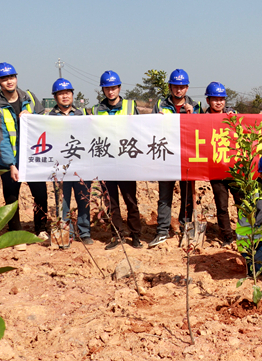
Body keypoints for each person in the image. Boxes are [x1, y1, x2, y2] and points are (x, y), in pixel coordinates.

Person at [0, 62, 48, 242]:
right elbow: (1, 138)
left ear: (16, 78)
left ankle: (41, 229)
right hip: (11, 160)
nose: (9, 82)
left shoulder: (29, 97)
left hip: (33, 157)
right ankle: (15, 233)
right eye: (4, 79)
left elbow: (42, 120)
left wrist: (32, 117)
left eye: (11, 77)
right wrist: (11, 165)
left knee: (41, 194)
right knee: (12, 197)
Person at [150, 68, 202, 247]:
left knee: (187, 195)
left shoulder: (196, 106)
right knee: (164, 196)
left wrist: (192, 115)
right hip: (167, 157)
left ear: (187, 88)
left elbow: (201, 130)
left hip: (187, 157)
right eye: (175, 86)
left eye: (182, 87)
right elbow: (152, 129)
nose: (178, 90)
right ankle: (162, 231)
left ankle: (185, 227)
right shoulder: (160, 105)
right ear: (170, 87)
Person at [92, 70, 142, 249]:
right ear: (103, 90)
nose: (111, 91)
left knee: (131, 201)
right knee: (111, 203)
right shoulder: (97, 110)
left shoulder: (130, 106)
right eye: (107, 88)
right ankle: (117, 235)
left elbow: (141, 128)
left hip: (126, 162)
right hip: (107, 163)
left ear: (119, 88)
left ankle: (136, 235)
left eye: (113, 88)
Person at [48, 78, 92, 246]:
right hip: (59, 168)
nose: (64, 96)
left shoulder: (82, 115)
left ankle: (85, 232)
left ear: (72, 95)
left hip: (81, 166)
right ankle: (66, 234)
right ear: (55, 97)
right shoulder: (48, 117)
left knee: (84, 199)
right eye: (60, 93)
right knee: (62, 201)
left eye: (67, 93)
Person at [202, 81, 243, 246]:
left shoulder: (234, 116)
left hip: (234, 169)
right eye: (214, 99)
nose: (218, 102)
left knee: (241, 203)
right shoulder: (202, 120)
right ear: (208, 101)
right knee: (222, 206)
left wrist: (236, 120)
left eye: (221, 99)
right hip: (216, 169)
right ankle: (227, 236)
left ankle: (244, 233)